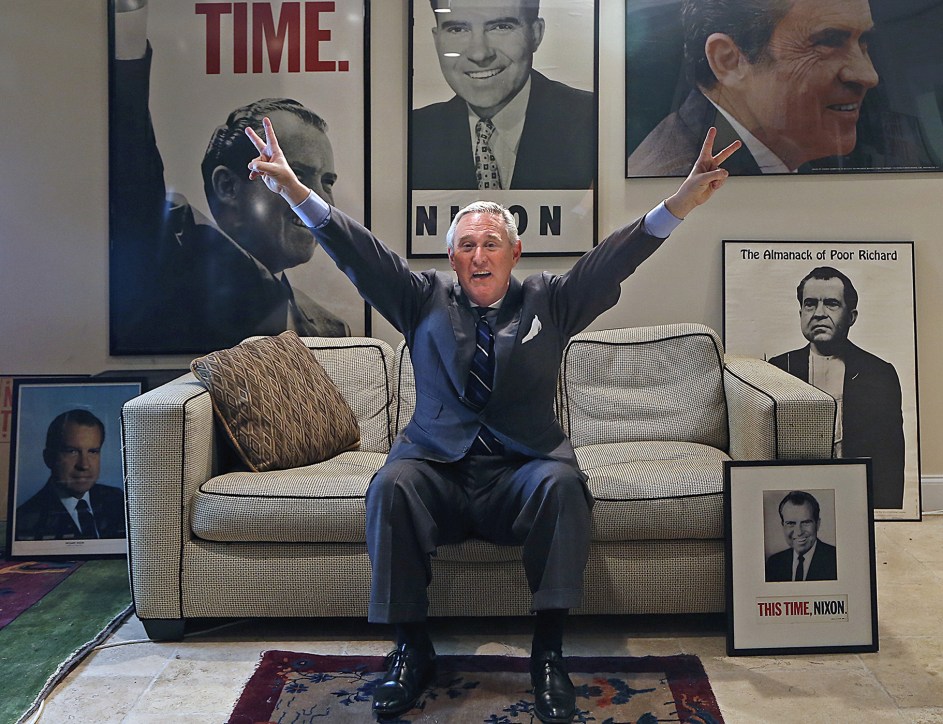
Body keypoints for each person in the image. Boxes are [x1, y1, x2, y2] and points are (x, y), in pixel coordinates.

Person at [245, 115, 738, 720]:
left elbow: (614, 260)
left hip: (521, 473)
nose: (480, 255)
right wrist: (295, 190)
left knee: (564, 485)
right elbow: (355, 249)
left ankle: (549, 654)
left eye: (492, 244)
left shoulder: (549, 300)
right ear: (451, 256)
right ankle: (410, 649)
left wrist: (681, 202)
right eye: (468, 245)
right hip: (437, 472)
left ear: (515, 253)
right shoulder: (419, 295)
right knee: (390, 485)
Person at [110, 0, 349, 354]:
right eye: (293, 175)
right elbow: (132, 160)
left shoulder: (332, 330)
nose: (313, 197)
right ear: (227, 186)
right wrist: (128, 19)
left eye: (326, 181)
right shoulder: (169, 248)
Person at [628, 0, 881, 177]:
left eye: (864, 41)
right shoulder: (679, 184)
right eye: (829, 41)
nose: (868, 76)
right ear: (728, 61)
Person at [410, 0, 595, 190]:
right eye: (458, 29)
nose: (479, 54)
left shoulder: (594, 121)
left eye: (500, 27)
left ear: (536, 34)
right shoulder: (413, 134)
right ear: (436, 39)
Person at [768, 266, 905, 510]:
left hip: (854, 493)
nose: (819, 313)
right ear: (800, 312)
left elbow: (890, 458)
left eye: (831, 304)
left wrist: (885, 514)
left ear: (851, 316)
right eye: (810, 304)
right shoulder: (777, 368)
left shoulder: (879, 373)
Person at [15, 410, 126, 542]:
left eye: (92, 451)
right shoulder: (25, 519)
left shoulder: (118, 501)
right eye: (72, 451)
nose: (84, 465)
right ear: (49, 458)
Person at [765, 491, 837, 582]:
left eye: (806, 522)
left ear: (817, 524)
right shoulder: (774, 563)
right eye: (791, 523)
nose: (799, 532)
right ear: (783, 525)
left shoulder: (835, 560)